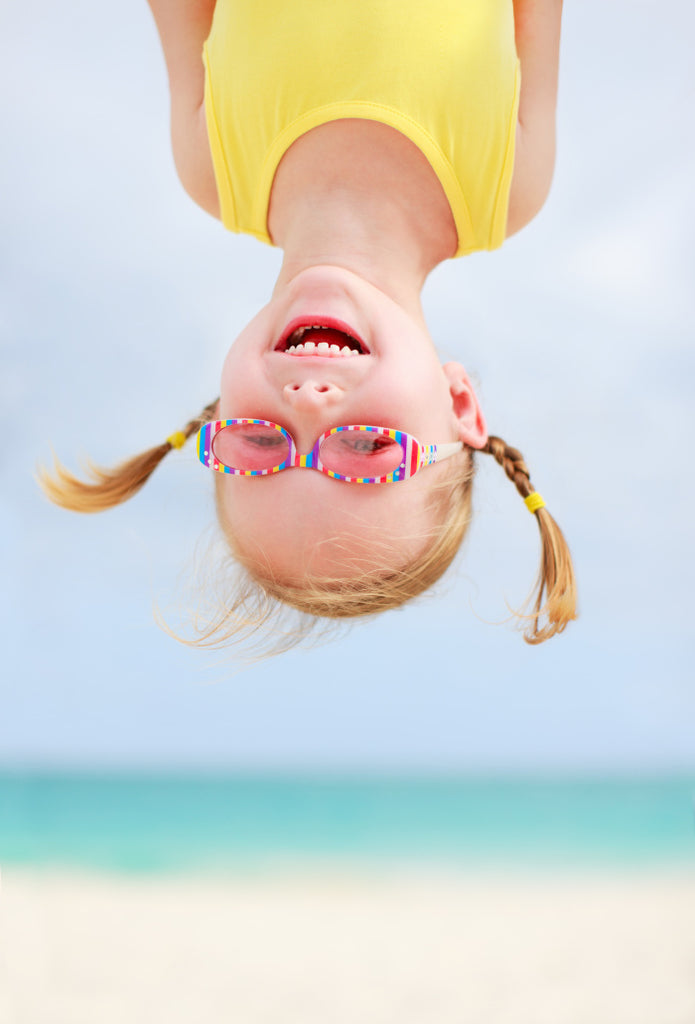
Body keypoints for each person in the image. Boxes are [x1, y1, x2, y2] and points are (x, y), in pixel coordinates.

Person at [39, 0, 576, 654]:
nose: (307, 405)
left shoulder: (210, 166)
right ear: (459, 403)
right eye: (367, 449)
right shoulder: (509, 186)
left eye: (260, 441)